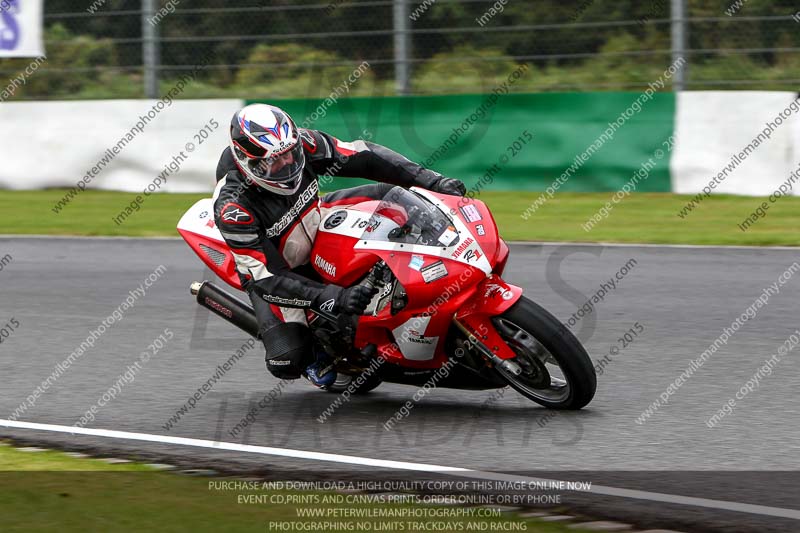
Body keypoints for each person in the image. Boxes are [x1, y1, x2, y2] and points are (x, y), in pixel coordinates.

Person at [213, 103, 466, 387]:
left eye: (289, 155)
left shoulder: (303, 143)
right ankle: (319, 360)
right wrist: (333, 296)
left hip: (317, 217)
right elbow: (266, 278)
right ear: (248, 162)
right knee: (287, 358)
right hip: (279, 269)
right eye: (274, 161)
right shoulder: (233, 207)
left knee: (391, 200)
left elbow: (365, 156)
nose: (287, 165)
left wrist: (432, 181)